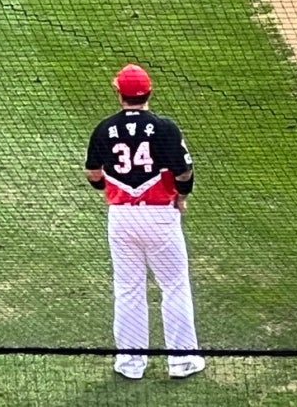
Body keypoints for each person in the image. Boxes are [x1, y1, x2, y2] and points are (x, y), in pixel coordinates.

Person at [84, 64, 205, 379]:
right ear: (149, 91)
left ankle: (130, 363)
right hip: (160, 215)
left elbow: (93, 173)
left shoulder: (103, 129)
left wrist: (107, 187)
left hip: (121, 217)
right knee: (174, 286)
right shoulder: (165, 128)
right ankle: (182, 361)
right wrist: (182, 196)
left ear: (119, 93)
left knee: (128, 289)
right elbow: (184, 172)